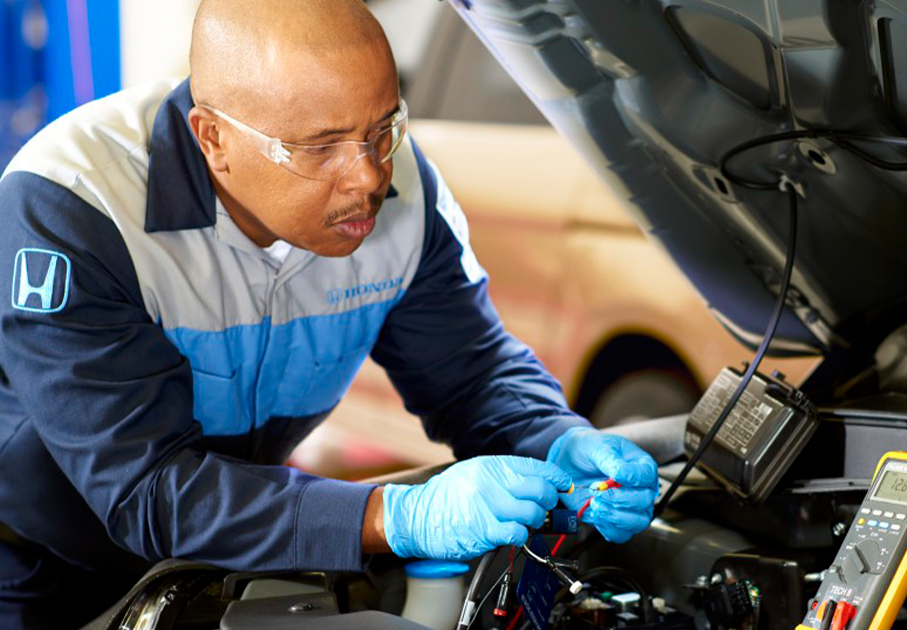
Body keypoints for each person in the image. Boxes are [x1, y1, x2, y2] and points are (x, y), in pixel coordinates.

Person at [0, 0, 658, 627]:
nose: (370, 177)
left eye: (382, 128)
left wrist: (556, 440)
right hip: (38, 570)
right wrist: (395, 517)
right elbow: (150, 488)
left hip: (224, 559)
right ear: (213, 138)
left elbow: (473, 373)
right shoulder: (73, 209)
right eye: (321, 146)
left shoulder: (405, 195)